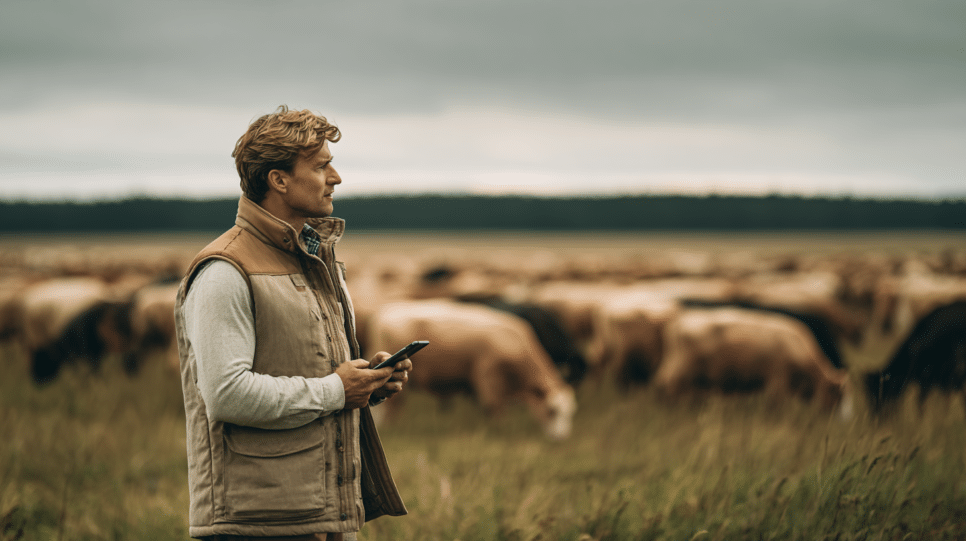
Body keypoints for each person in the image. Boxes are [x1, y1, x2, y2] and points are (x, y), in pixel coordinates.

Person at [174, 105, 410, 540]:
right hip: (256, 522)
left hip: (322, 513)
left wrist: (365, 384)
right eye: (321, 166)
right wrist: (338, 389)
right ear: (278, 180)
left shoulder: (319, 262)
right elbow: (227, 395)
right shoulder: (225, 270)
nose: (335, 178)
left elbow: (319, 381)